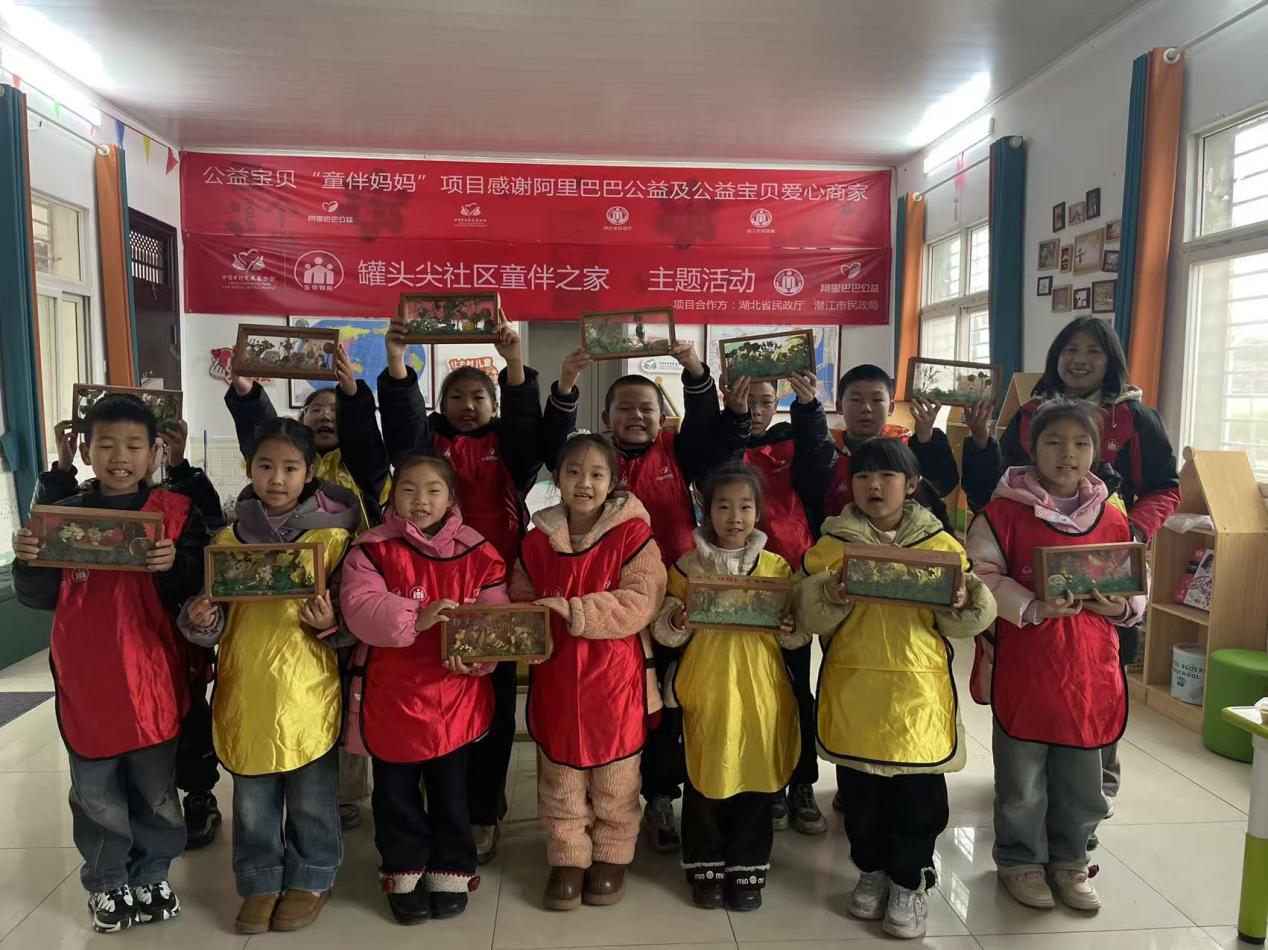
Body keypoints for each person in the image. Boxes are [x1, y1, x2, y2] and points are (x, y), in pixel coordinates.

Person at [960, 316, 1179, 815]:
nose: (1079, 360)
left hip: (1107, 566)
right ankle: (1024, 791)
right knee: (1030, 685)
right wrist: (981, 443)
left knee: (1098, 681)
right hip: (1033, 579)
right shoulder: (1030, 412)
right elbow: (1002, 484)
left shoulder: (1135, 417)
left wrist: (1128, 535)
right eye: (1069, 350)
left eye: (1092, 352)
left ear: (1111, 360)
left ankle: (1093, 793)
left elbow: (1166, 487)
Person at [13, 395, 208, 933]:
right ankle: (106, 880)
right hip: (87, 675)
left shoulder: (175, 514)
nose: (120, 456)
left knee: (156, 789)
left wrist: (176, 566)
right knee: (95, 792)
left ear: (154, 452)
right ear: (86, 450)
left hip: (153, 675)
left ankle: (153, 872)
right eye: (106, 444)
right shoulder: (63, 517)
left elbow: (197, 592)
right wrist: (28, 561)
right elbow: (37, 595)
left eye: (133, 445)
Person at [543, 344, 747, 853]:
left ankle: (659, 794)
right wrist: (566, 382)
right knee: (617, 709)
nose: (637, 416)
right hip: (604, 609)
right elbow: (551, 444)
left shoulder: (677, 452)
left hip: (673, 601)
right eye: (626, 408)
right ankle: (601, 802)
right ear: (606, 417)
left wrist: (695, 371)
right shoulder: (593, 462)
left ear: (662, 417)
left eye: (647, 409)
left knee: (669, 704)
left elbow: (710, 431)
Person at [799, 438, 996, 939]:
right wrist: (831, 593)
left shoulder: (940, 545)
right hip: (856, 687)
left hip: (917, 692)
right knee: (860, 792)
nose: (874, 485)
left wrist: (962, 602)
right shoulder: (832, 545)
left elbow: (969, 621)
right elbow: (809, 616)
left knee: (918, 796)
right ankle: (870, 869)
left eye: (887, 475)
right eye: (863, 476)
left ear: (911, 485)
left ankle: (910, 880)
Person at [373, 315, 542, 865]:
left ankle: (482, 811)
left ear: (493, 404)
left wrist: (513, 362)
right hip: (424, 597)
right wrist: (396, 360)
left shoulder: (508, 446)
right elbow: (402, 427)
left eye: (479, 397)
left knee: (492, 710)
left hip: (492, 592)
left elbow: (526, 424)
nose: (468, 405)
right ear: (440, 403)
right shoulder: (427, 443)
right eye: (457, 396)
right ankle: (436, 812)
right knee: (425, 708)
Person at [178, 419, 357, 935]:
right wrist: (203, 618)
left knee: (311, 794)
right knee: (253, 796)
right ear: (249, 468)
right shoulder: (227, 538)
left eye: (290, 468)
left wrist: (332, 622)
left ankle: (313, 876)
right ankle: (259, 880)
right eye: (265, 466)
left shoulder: (333, 539)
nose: (277, 478)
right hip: (246, 684)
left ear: (310, 472)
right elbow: (209, 622)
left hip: (307, 686)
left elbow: (353, 621)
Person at [965, 398, 1144, 912]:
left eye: (1081, 443)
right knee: (1022, 778)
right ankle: (1019, 860)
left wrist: (1121, 606)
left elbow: (1135, 580)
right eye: (1054, 442)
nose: (1068, 454)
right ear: (1031, 447)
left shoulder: (1113, 517)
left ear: (1096, 450)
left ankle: (1071, 860)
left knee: (1082, 776)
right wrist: (1033, 606)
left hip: (1091, 670)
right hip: (1028, 665)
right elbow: (981, 578)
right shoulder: (1001, 514)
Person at [339, 452, 509, 925]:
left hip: (456, 695)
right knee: (395, 792)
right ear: (393, 496)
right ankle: (403, 870)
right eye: (408, 490)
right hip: (392, 695)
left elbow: (497, 614)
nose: (420, 500)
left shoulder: (480, 551)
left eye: (433, 490)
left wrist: (479, 655)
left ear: (451, 497)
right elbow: (359, 608)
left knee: (451, 789)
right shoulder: (371, 549)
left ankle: (452, 868)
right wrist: (418, 615)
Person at [509, 434, 667, 910]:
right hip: (556, 675)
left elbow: (641, 600)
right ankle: (567, 855)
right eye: (573, 472)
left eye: (597, 474)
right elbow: (521, 596)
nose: (584, 483)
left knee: (616, 774)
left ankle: (613, 852)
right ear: (557, 479)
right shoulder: (536, 541)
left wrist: (575, 611)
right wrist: (529, 634)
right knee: (560, 773)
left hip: (616, 677)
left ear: (613, 482)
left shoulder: (634, 536)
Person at [652, 463, 806, 912]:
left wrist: (789, 627)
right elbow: (664, 628)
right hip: (708, 685)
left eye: (744, 507)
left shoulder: (776, 567)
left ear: (758, 511)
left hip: (761, 688)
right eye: (723, 506)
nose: (735, 517)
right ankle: (706, 867)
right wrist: (677, 619)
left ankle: (747, 867)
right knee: (705, 775)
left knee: (755, 775)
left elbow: (797, 634)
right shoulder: (687, 567)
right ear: (706, 509)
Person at [734, 373, 834, 835]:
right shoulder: (725, 441)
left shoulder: (793, 441)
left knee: (796, 688)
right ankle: (768, 779)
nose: (756, 410)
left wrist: (810, 410)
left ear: (778, 403)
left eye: (765, 401)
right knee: (752, 688)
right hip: (735, 582)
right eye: (748, 400)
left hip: (790, 579)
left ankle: (802, 780)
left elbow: (819, 469)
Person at [825, 364, 958, 534]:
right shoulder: (826, 451)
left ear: (890, 408)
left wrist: (925, 437)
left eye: (877, 400)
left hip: (903, 542)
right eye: (856, 400)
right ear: (839, 406)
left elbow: (941, 486)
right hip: (838, 540)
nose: (866, 408)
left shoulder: (904, 448)